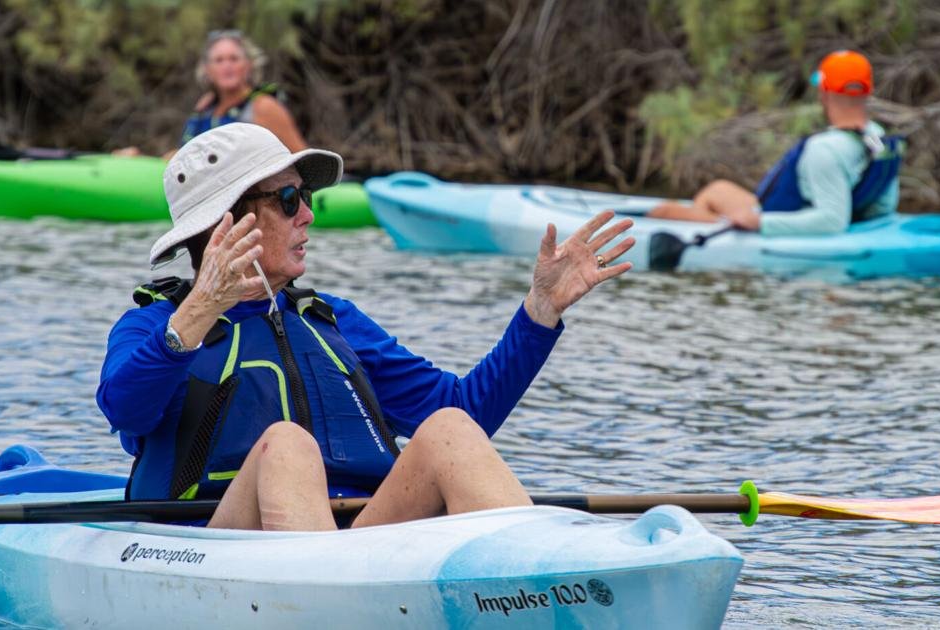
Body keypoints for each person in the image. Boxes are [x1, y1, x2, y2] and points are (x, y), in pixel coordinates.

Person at [96, 122, 636, 531]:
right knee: (285, 445)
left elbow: (468, 410)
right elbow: (125, 409)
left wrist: (540, 311)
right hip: (214, 549)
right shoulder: (154, 325)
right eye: (289, 200)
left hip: (356, 545)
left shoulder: (334, 322)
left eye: (306, 198)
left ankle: (543, 589)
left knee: (448, 431)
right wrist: (198, 311)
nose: (308, 215)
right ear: (227, 225)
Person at [647, 50, 903, 236]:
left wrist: (760, 224)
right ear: (867, 91)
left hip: (784, 220)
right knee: (717, 190)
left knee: (663, 213)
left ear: (824, 93)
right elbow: (884, 206)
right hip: (837, 219)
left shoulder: (824, 149)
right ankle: (716, 235)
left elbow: (832, 221)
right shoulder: (878, 137)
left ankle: (716, 242)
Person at [115, 30, 306, 159]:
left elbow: (302, 155)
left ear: (248, 66)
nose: (227, 66)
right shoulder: (205, 108)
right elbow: (185, 156)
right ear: (207, 69)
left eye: (234, 58)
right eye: (219, 60)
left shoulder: (263, 106)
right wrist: (140, 160)